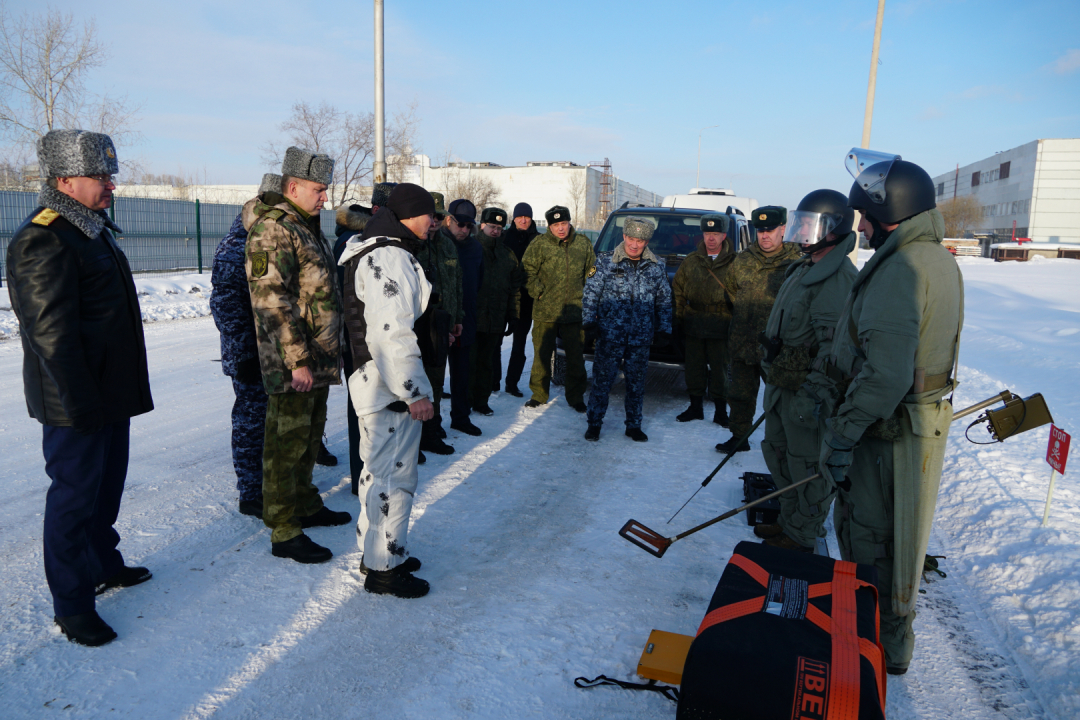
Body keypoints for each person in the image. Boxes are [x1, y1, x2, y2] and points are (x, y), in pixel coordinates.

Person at [6, 129, 154, 646]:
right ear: (65, 180)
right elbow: (51, 338)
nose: (110, 183)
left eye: (110, 174)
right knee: (73, 501)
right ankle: (72, 605)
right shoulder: (43, 236)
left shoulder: (89, 228)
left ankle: (102, 564)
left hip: (108, 392)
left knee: (106, 489)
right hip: (78, 401)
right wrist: (83, 403)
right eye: (100, 175)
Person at [819, 151, 962, 674]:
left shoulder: (901, 268)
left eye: (865, 216)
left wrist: (842, 434)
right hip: (910, 427)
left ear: (891, 214)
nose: (859, 225)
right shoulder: (934, 257)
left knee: (871, 538)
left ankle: (873, 648)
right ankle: (886, 643)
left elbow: (885, 373)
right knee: (898, 539)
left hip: (886, 434)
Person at [245, 146, 351, 564]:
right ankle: (284, 527)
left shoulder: (305, 225)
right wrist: (297, 360)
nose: (325, 197)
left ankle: (306, 503)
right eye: (318, 189)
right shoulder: (274, 230)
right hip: (295, 361)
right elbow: (271, 299)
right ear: (292, 186)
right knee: (285, 442)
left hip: (318, 355)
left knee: (309, 436)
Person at [338, 183, 437, 598]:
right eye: (429, 214)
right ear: (409, 215)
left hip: (374, 383)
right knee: (394, 479)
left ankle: (378, 551)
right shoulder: (389, 257)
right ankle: (385, 569)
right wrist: (415, 392)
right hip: (388, 388)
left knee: (377, 473)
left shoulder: (372, 249)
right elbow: (391, 333)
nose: (434, 222)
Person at [756, 190, 857, 553]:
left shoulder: (837, 278)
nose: (802, 232)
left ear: (833, 230)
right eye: (801, 223)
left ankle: (802, 534)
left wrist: (814, 394)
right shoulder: (805, 267)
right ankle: (788, 521)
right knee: (777, 453)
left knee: (806, 465)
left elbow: (834, 348)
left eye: (810, 225)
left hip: (806, 395)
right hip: (784, 384)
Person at [211, 173, 281, 516]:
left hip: (276, 351)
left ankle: (274, 483)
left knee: (274, 422)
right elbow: (226, 305)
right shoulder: (239, 243)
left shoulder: (270, 237)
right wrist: (245, 353)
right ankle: (252, 491)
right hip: (251, 354)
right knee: (252, 423)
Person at [717, 205, 801, 453]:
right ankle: (739, 437)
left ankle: (785, 445)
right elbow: (731, 293)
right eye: (760, 230)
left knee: (781, 400)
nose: (764, 235)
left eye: (770, 230)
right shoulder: (743, 260)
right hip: (743, 342)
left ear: (783, 229)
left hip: (777, 348)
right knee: (740, 395)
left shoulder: (797, 263)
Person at [582, 217, 672, 441]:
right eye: (631, 239)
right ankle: (594, 423)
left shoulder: (656, 266)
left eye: (640, 241)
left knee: (636, 383)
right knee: (602, 381)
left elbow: (664, 300)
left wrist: (664, 329)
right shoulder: (604, 262)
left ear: (647, 242)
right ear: (624, 237)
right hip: (610, 334)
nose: (634, 244)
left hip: (640, 337)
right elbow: (590, 295)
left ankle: (633, 425)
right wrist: (589, 323)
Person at [521, 205, 596, 411]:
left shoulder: (582, 243)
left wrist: (587, 294)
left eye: (563, 223)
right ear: (550, 227)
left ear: (569, 222)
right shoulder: (539, 244)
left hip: (574, 311)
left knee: (575, 358)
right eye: (555, 225)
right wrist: (538, 291)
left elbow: (592, 271)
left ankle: (576, 397)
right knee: (542, 355)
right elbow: (526, 269)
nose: (560, 229)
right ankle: (539, 394)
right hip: (546, 311)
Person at [672, 214, 737, 426]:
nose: (711, 238)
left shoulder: (735, 262)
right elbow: (678, 290)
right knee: (694, 368)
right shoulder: (692, 261)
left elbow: (743, 294)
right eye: (708, 233)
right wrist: (679, 316)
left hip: (721, 323)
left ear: (724, 235)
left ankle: (720, 412)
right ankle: (695, 407)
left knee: (719, 370)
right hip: (695, 323)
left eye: (715, 234)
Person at [415, 192, 462, 455]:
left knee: (435, 378)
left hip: (442, 323)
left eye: (439, 217)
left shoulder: (447, 245)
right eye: (431, 216)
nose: (434, 222)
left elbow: (456, 285)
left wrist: (456, 320)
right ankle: (417, 436)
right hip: (418, 324)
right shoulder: (412, 246)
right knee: (415, 381)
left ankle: (431, 430)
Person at [332, 200, 373, 493]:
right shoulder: (353, 244)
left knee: (359, 404)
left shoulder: (342, 242)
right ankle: (361, 476)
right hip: (355, 335)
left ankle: (362, 473)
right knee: (361, 405)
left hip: (350, 334)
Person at [470, 207, 524, 415]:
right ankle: (465, 401)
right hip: (473, 317)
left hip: (496, 318)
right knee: (470, 362)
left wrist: (514, 314)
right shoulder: (472, 249)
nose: (495, 231)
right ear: (482, 225)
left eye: (500, 228)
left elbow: (514, 288)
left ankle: (481, 402)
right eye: (492, 227)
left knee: (487, 362)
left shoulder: (507, 255)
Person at [444, 198, 484, 436]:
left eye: (469, 226)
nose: (464, 230)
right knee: (436, 375)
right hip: (438, 319)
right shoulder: (436, 244)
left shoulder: (475, 247)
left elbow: (477, 281)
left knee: (462, 373)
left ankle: (460, 417)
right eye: (460, 224)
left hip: (465, 316)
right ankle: (431, 425)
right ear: (449, 220)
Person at [499, 202, 540, 397]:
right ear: (513, 218)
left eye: (527, 217)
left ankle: (512, 383)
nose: (523, 220)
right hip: (505, 297)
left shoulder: (539, 240)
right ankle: (492, 383)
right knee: (496, 342)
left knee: (519, 343)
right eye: (519, 217)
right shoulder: (504, 238)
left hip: (527, 300)